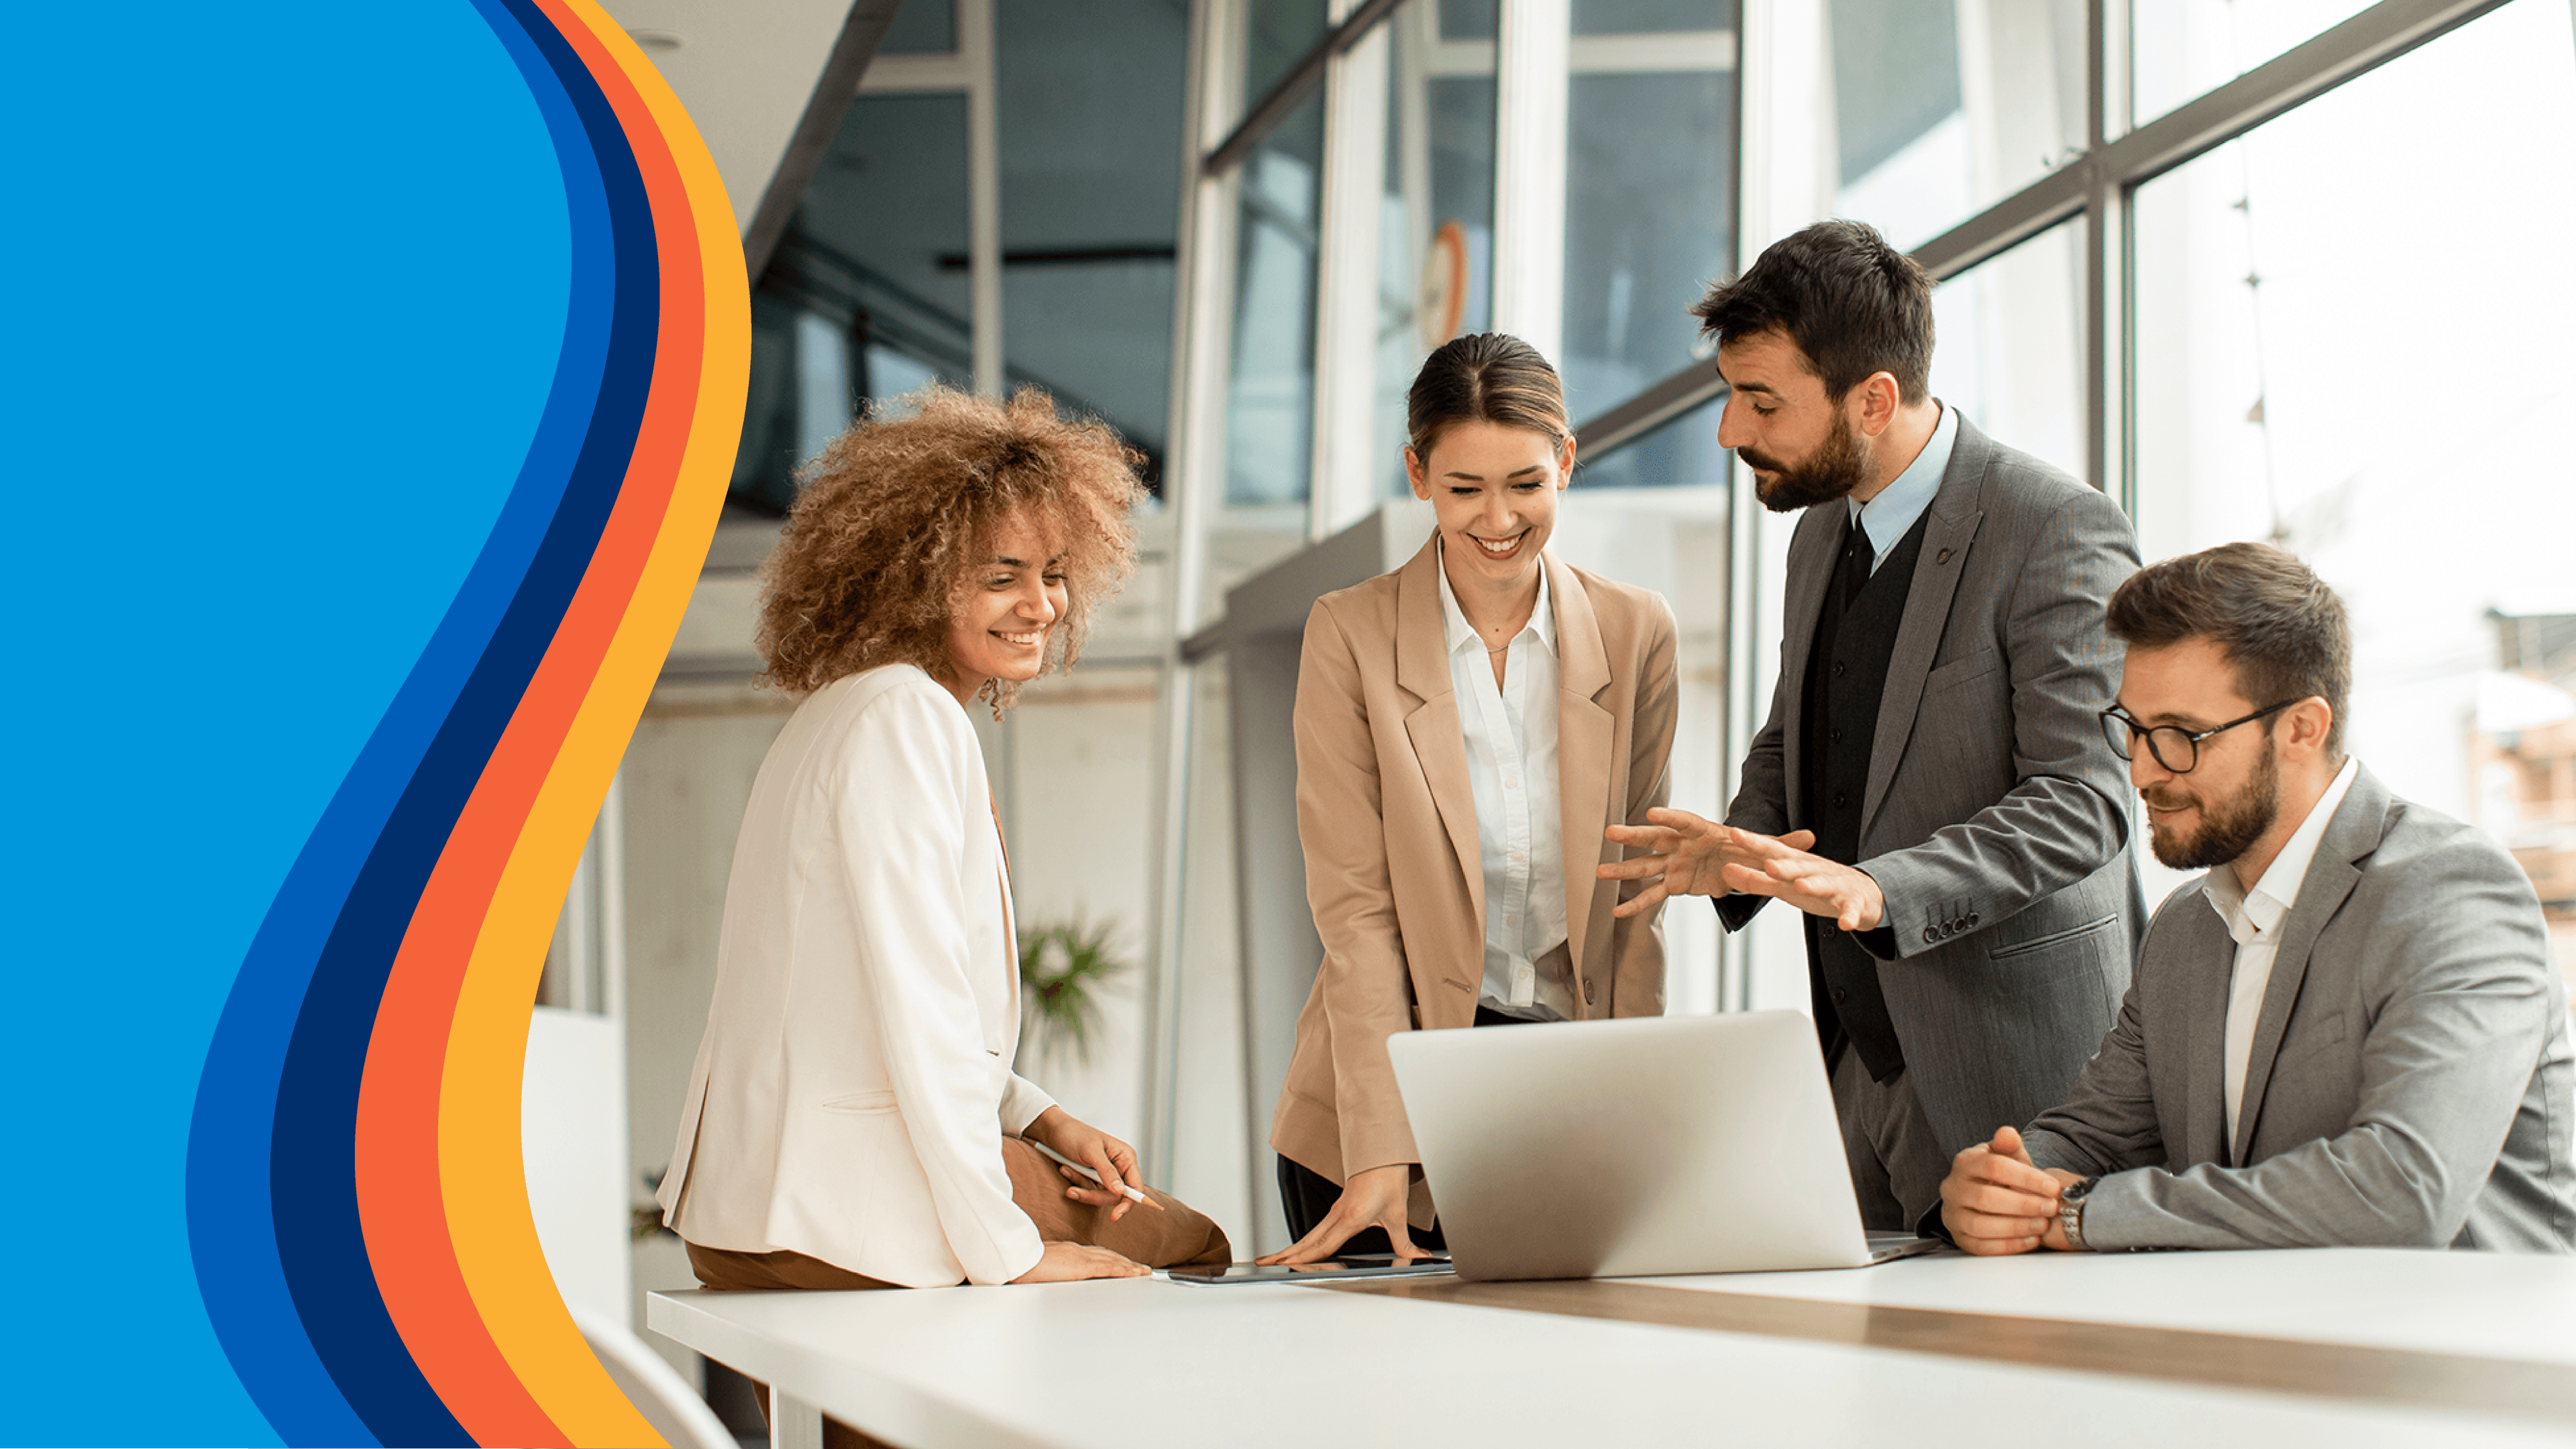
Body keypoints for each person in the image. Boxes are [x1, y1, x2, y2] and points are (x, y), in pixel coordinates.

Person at [1601, 220, 2144, 1232]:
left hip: (2021, 1076)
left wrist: (1876, 887)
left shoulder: (2054, 528)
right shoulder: (1820, 531)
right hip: (1857, 1061)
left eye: (1761, 403)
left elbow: (2087, 801)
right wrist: (1739, 843)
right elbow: (1797, 727)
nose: (1729, 432)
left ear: (1875, 399)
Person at [655, 384, 1229, 1302]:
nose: (1039, 605)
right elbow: (920, 1005)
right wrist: (1010, 1249)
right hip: (836, 1211)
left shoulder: (838, 713)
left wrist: (1041, 1117)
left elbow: (863, 1004)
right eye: (1001, 576)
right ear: (913, 578)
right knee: (1192, 1243)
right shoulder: (905, 718)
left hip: (749, 1215)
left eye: (1053, 573)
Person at [1939, 543, 2575, 1254]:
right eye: (2133, 730)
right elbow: (2096, 1135)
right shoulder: (2187, 925)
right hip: (2261, 1340)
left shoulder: (2454, 894)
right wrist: (2006, 1180)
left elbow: (2403, 1190)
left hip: (2465, 1349)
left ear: (2302, 728)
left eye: (2180, 736)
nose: (2144, 770)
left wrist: (2089, 1213)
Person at [1261, 333, 1679, 1265]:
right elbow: (1356, 914)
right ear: (1417, 474)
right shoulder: (1351, 636)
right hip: (1383, 1105)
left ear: (1566, 461)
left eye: (1526, 484)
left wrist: (1636, 1118)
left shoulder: (1635, 630)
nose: (1500, 518)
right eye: (1465, 489)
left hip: (1561, 1096)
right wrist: (1382, 1149)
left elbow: (1635, 902)